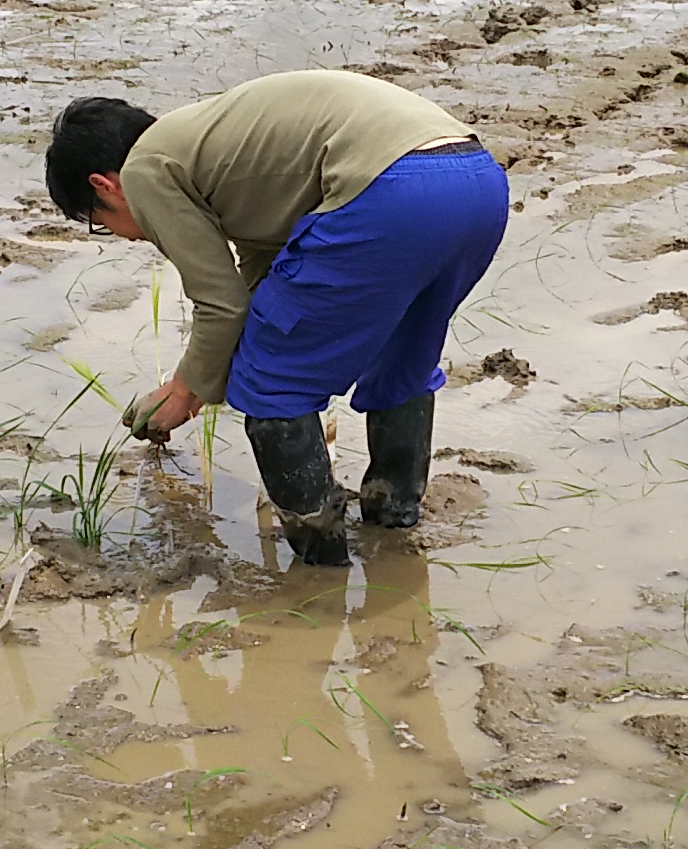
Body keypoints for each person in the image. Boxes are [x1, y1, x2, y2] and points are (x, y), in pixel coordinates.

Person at [42, 69, 509, 566]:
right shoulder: (213, 143)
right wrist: (200, 377)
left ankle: (320, 565)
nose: (128, 236)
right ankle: (394, 534)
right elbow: (264, 277)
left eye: (102, 223)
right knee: (403, 357)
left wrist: (182, 391)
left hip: (391, 192)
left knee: (270, 382)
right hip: (476, 183)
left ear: (105, 185)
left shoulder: (144, 168)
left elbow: (221, 303)